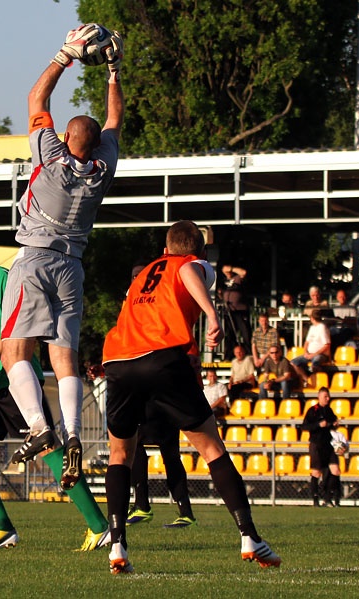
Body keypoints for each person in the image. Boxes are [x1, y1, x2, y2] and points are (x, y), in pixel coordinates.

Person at [102, 220, 280, 574]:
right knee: (212, 447)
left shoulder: (143, 273)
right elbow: (189, 274)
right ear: (198, 251)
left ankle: (118, 544)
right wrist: (212, 313)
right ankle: (249, 536)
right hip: (162, 355)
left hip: (119, 359)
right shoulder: (191, 264)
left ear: (165, 248)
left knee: (120, 454)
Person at [0, 24, 124, 492]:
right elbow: (114, 122)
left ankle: (38, 425)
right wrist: (113, 71)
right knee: (65, 358)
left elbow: (36, 100)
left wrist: (64, 56)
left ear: (67, 137)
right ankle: (72, 432)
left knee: (16, 350)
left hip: (34, 258)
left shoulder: (50, 159)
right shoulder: (102, 169)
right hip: (73, 265)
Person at [0, 219, 111, 551]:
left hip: (14, 377)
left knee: (49, 447)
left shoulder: (3, 278)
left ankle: (99, 526)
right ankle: (2, 527)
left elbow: (15, 332)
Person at [126, 403, 197, 529]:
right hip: (171, 406)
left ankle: (142, 505)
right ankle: (186, 513)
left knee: (134, 442)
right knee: (171, 457)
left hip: (155, 402)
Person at [301, 387, 341, 507]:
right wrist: (318, 425)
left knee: (336, 470)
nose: (327, 399)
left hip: (329, 445)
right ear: (319, 397)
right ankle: (315, 499)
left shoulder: (329, 410)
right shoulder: (313, 410)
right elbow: (304, 427)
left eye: (328, 396)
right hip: (317, 445)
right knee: (316, 472)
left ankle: (328, 498)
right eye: (325, 396)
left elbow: (332, 425)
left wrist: (334, 425)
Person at [290, 309, 331, 382]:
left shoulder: (322, 327)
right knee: (293, 363)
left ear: (312, 318)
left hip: (320, 354)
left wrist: (314, 354)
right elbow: (307, 342)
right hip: (309, 353)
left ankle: (318, 381)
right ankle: (306, 380)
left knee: (315, 364)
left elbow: (326, 345)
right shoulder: (312, 328)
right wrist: (305, 352)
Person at [220, 264, 251, 356]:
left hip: (240, 311)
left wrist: (232, 268)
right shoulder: (224, 281)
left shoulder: (237, 278)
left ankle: (248, 353)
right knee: (230, 335)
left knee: (245, 333)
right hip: (229, 311)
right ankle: (229, 355)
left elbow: (244, 273)